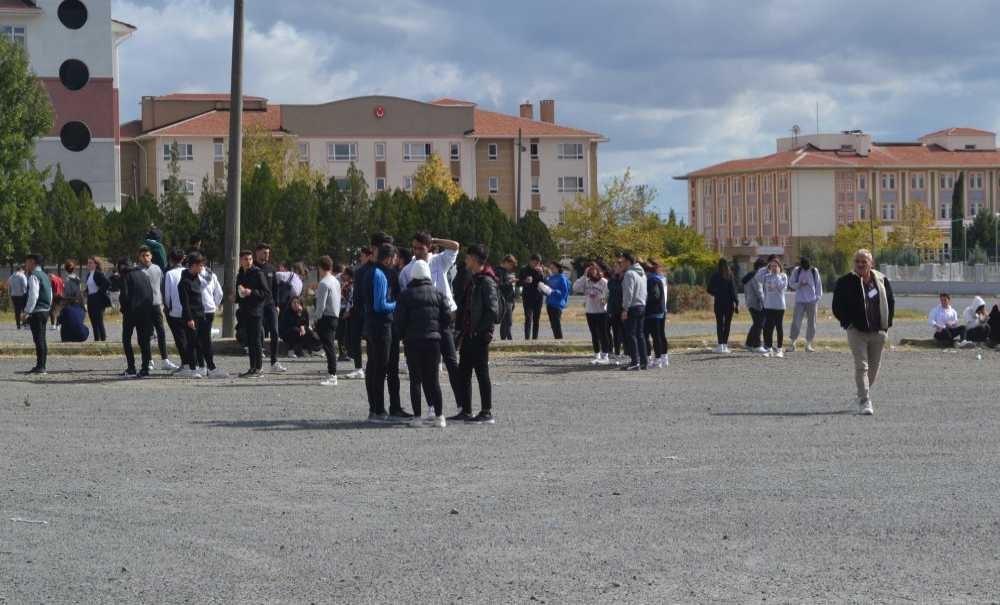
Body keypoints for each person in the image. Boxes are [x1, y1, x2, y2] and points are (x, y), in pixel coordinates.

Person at [398, 232, 461, 418]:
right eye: (414, 247)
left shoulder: (439, 261)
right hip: (424, 322)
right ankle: (432, 406)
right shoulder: (408, 269)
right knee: (427, 368)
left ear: (429, 248)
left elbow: (455, 245)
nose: (416, 251)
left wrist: (435, 241)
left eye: (420, 247)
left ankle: (461, 404)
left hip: (444, 317)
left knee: (451, 361)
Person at [832, 248, 895, 416]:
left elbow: (890, 301)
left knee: (873, 369)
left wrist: (886, 325)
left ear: (871, 263)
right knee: (862, 366)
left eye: (864, 261)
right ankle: (865, 400)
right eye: (857, 261)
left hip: (878, 331)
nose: (860, 264)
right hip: (856, 332)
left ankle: (861, 394)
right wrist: (848, 323)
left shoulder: (881, 280)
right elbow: (837, 306)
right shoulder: (845, 281)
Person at [396, 259, 451, 427]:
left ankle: (417, 417)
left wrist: (402, 335)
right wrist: (438, 330)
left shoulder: (406, 294)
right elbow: (447, 317)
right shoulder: (438, 293)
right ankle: (440, 417)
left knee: (415, 380)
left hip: (413, 342)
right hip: (434, 340)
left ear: (413, 275)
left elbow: (400, 320)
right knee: (433, 379)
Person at [452, 244, 499, 424]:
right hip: (468, 334)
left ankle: (486, 412)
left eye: (468, 256)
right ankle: (466, 410)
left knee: (481, 373)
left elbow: (492, 311)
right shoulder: (475, 278)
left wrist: (481, 331)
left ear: (474, 258)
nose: (465, 259)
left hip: (478, 335)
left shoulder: (486, 281)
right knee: (464, 373)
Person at [365, 243, 410, 422]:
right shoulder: (379, 275)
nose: (395, 261)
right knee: (381, 368)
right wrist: (398, 304)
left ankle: (390, 407)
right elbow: (380, 305)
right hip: (381, 326)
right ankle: (378, 409)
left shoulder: (376, 272)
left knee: (387, 367)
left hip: (382, 326)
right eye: (394, 258)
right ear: (388, 258)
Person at [138, 245, 179, 371]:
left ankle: (165, 359)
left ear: (151, 256)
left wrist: (165, 303)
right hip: (143, 307)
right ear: (139, 257)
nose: (146, 258)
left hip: (156, 305)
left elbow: (162, 286)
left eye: (148, 255)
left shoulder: (157, 269)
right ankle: (149, 360)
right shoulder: (137, 271)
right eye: (143, 256)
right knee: (146, 335)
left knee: (161, 332)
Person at [118, 254, 155, 378]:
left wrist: (123, 309)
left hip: (130, 312)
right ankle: (145, 368)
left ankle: (131, 367)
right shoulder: (144, 274)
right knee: (144, 341)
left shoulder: (125, 276)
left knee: (126, 339)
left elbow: (124, 296)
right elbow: (150, 293)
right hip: (145, 312)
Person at [254, 243, 286, 373]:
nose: (266, 255)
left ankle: (274, 362)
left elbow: (275, 288)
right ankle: (258, 362)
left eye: (268, 253)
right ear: (257, 253)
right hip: (257, 305)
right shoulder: (252, 268)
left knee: (275, 331)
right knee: (259, 332)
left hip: (270, 304)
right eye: (264, 252)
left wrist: (277, 304)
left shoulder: (271, 269)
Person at [237, 250, 270, 378]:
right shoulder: (240, 274)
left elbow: (266, 293)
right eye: (245, 259)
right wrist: (235, 296)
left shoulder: (257, 273)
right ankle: (252, 368)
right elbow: (239, 293)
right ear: (241, 260)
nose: (248, 261)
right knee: (249, 341)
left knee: (256, 340)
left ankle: (259, 368)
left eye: (250, 259)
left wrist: (251, 292)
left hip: (256, 311)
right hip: (245, 311)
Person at [176, 251, 209, 378]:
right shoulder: (184, 282)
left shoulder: (197, 279)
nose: (202, 268)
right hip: (191, 317)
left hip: (200, 315)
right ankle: (192, 368)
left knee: (200, 342)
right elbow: (185, 303)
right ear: (193, 265)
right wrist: (190, 319)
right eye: (200, 265)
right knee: (192, 343)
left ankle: (201, 366)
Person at [573, 262, 611, 364]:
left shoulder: (603, 282)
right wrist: (584, 276)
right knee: (594, 334)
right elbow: (575, 288)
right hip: (590, 311)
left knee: (603, 334)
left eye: (593, 269)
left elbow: (608, 293)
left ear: (597, 270)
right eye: (589, 269)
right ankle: (597, 354)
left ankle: (605, 355)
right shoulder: (586, 281)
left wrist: (604, 299)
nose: (591, 271)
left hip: (602, 311)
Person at [21, 254, 52, 375]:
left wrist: (27, 312)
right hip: (45, 310)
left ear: (32, 262)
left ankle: (41, 366)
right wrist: (48, 307)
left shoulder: (34, 276)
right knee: (42, 339)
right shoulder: (44, 275)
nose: (26, 265)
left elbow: (33, 296)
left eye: (27, 262)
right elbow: (50, 294)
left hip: (37, 311)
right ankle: (41, 365)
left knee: (38, 339)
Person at [196, 256, 226, 378]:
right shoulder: (212, 275)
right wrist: (215, 304)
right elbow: (219, 293)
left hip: (199, 310)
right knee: (205, 339)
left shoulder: (193, 275)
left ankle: (204, 366)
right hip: (209, 310)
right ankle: (208, 366)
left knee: (199, 339)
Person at [313, 256, 341, 386]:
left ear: (320, 268)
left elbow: (321, 306)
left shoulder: (324, 283)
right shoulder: (335, 281)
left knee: (329, 348)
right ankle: (332, 373)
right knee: (330, 347)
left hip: (326, 317)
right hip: (335, 316)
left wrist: (315, 319)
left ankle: (332, 375)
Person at [619, 252, 648, 371]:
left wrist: (625, 309)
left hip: (632, 307)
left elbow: (628, 293)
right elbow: (645, 292)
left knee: (631, 335)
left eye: (622, 261)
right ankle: (644, 362)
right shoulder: (642, 274)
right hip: (641, 305)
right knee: (640, 335)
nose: (621, 263)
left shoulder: (629, 273)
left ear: (628, 262)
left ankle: (635, 362)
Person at [787, 257, 823, 352]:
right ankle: (792, 344)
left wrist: (817, 298)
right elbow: (791, 283)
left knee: (812, 323)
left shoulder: (814, 271)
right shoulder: (797, 270)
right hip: (800, 300)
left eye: (807, 266)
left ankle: (808, 344)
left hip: (812, 301)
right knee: (796, 322)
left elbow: (819, 285)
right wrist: (799, 284)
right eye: (803, 266)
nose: (805, 268)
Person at [162, 249, 190, 370]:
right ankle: (194, 362)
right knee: (190, 337)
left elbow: (167, 294)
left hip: (175, 311)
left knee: (180, 338)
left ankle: (185, 363)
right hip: (190, 310)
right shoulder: (188, 271)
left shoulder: (169, 274)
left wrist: (167, 307)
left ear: (171, 260)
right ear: (183, 259)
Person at [707, 258, 739, 354]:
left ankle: (720, 345)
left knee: (719, 324)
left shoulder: (715, 275)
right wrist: (736, 302)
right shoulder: (730, 275)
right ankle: (725, 345)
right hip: (729, 304)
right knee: (727, 324)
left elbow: (708, 289)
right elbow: (733, 291)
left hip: (719, 303)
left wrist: (716, 293)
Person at [759, 258, 788, 358]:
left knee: (779, 327)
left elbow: (782, 287)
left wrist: (777, 276)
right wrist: (765, 268)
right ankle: (769, 349)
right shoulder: (766, 277)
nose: (774, 268)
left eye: (776, 266)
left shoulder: (783, 276)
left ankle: (779, 350)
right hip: (768, 306)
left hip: (779, 306)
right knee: (768, 328)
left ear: (780, 267)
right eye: (772, 266)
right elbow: (758, 277)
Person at [644, 260, 669, 368]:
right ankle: (662, 358)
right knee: (658, 336)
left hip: (654, 312)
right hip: (660, 310)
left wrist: (643, 300)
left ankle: (658, 359)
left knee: (656, 336)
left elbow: (655, 296)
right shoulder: (659, 278)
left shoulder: (652, 280)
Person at [742, 258, 767, 353]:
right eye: (764, 268)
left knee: (756, 324)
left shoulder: (750, 275)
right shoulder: (756, 276)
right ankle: (757, 345)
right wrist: (766, 304)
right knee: (759, 324)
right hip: (757, 304)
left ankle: (749, 344)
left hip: (750, 303)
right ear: (760, 267)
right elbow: (759, 291)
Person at [518, 254, 545, 340]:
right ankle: (527, 338)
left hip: (538, 297)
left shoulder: (540, 270)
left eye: (538, 263)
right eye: (535, 263)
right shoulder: (523, 269)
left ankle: (535, 338)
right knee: (528, 318)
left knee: (536, 319)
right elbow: (518, 283)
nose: (536, 265)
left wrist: (542, 274)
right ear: (530, 261)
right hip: (527, 297)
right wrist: (525, 281)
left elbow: (544, 283)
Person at [85, 257, 111, 342]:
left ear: (95, 264)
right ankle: (97, 340)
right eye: (88, 263)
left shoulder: (98, 273)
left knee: (99, 321)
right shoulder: (89, 274)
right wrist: (85, 292)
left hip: (98, 300)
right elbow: (90, 287)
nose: (88, 264)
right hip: (90, 300)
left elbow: (107, 283)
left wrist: (99, 292)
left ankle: (103, 341)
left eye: (90, 263)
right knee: (93, 322)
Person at [544, 261, 570, 340]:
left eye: (553, 268)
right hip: (549, 303)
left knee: (556, 324)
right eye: (550, 268)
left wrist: (554, 291)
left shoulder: (562, 278)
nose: (551, 270)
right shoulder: (551, 278)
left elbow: (564, 292)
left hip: (557, 304)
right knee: (553, 324)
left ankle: (560, 340)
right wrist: (543, 290)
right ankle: (557, 339)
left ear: (558, 268)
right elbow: (548, 290)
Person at [496, 255, 518, 341]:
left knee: (506, 322)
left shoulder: (505, 271)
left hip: (510, 299)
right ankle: (508, 340)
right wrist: (510, 282)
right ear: (506, 262)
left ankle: (505, 339)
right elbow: (499, 285)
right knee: (508, 321)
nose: (511, 268)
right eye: (511, 265)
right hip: (504, 299)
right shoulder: (498, 271)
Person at [606, 263, 625, 363]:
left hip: (624, 309)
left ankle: (628, 353)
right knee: (616, 333)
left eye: (618, 266)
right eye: (615, 267)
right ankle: (617, 353)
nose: (615, 268)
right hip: (614, 310)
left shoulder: (626, 278)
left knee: (625, 333)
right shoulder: (612, 280)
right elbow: (610, 294)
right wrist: (609, 309)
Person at [337, 267, 354, 361]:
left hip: (346, 310)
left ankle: (347, 352)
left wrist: (347, 310)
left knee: (346, 333)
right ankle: (342, 353)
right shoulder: (345, 284)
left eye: (345, 274)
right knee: (341, 333)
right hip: (341, 309)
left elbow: (351, 299)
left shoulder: (351, 285)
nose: (343, 275)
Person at [8, 266, 28, 330]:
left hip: (13, 295)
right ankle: (25, 324)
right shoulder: (22, 276)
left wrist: (10, 294)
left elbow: (9, 286)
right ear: (21, 270)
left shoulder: (11, 277)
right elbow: (25, 285)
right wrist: (25, 292)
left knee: (17, 311)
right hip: (21, 295)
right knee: (24, 310)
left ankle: (18, 325)